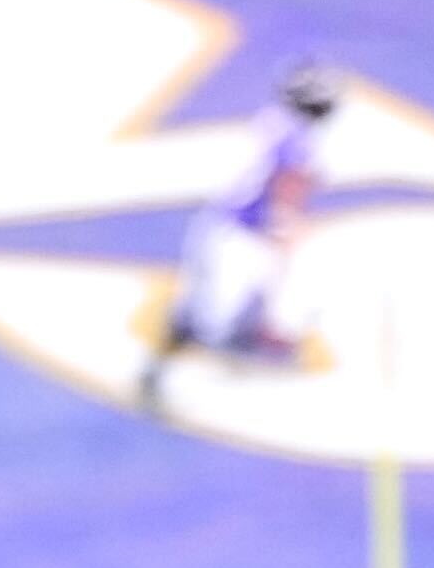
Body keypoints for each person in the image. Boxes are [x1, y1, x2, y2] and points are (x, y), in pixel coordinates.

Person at [140, 63, 339, 415]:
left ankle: (162, 365)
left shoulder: (273, 123)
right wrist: (284, 227)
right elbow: (287, 190)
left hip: (219, 225)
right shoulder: (297, 140)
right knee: (215, 321)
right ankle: (243, 348)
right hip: (239, 236)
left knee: (214, 310)